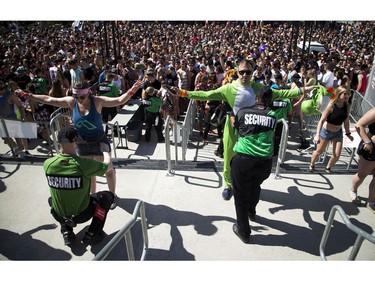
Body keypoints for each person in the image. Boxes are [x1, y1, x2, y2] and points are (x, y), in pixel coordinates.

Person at [173, 59, 315, 200]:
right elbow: (207, 95)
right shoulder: (229, 88)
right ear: (237, 72)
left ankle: (246, 183)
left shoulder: (257, 87)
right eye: (242, 72)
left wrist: (302, 90)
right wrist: (183, 93)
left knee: (249, 158)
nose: (245, 75)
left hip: (251, 129)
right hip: (232, 127)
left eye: (248, 72)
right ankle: (228, 185)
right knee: (229, 156)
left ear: (252, 72)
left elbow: (280, 94)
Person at [27, 80, 143, 209]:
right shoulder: (72, 102)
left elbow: (119, 100)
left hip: (99, 142)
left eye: (81, 97)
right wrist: (30, 96)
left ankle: (112, 196)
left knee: (109, 170)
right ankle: (92, 197)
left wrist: (133, 89)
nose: (79, 99)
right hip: (81, 143)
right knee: (89, 172)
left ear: (89, 93)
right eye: (76, 96)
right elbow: (49, 99)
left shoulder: (97, 101)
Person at [44, 127, 114, 245]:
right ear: (76, 143)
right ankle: (92, 233)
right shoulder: (84, 165)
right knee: (107, 197)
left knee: (52, 199)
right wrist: (105, 151)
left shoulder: (48, 164)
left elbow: (63, 168)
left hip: (59, 215)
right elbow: (108, 167)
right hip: (82, 215)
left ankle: (67, 232)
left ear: (59, 142)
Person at [230, 86, 276, 244]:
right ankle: (251, 212)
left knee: (240, 197)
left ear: (256, 98)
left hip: (244, 161)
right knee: (255, 185)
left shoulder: (242, 112)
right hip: (265, 162)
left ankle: (244, 231)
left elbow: (237, 132)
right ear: (269, 100)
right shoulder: (273, 115)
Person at [309, 86, 354, 173]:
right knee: (319, 151)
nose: (347, 96)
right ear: (339, 93)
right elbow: (321, 120)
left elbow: (346, 121)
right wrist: (317, 135)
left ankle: (328, 167)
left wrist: (348, 133)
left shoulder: (347, 106)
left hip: (338, 132)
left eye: (348, 94)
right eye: (345, 94)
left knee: (337, 154)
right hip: (326, 131)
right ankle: (312, 164)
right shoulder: (331, 105)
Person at [350, 107, 375, 214]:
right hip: (370, 148)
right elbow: (359, 125)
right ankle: (353, 190)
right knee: (362, 174)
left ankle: (371, 201)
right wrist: (367, 142)